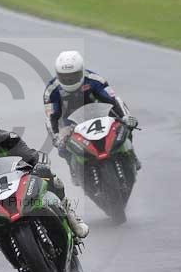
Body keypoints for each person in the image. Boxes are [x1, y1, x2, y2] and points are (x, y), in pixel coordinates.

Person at [0, 110, 89, 239]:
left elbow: (31, 156)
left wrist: (39, 166)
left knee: (48, 175)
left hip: (19, 183)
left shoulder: (8, 139)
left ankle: (70, 214)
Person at [43, 50, 140, 184]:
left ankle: (131, 154)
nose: (69, 80)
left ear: (82, 71)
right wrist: (56, 136)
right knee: (62, 147)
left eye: (74, 75)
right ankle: (74, 170)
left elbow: (113, 100)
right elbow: (50, 117)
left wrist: (126, 117)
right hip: (69, 121)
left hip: (98, 111)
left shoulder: (95, 80)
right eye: (65, 77)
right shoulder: (51, 90)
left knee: (125, 125)